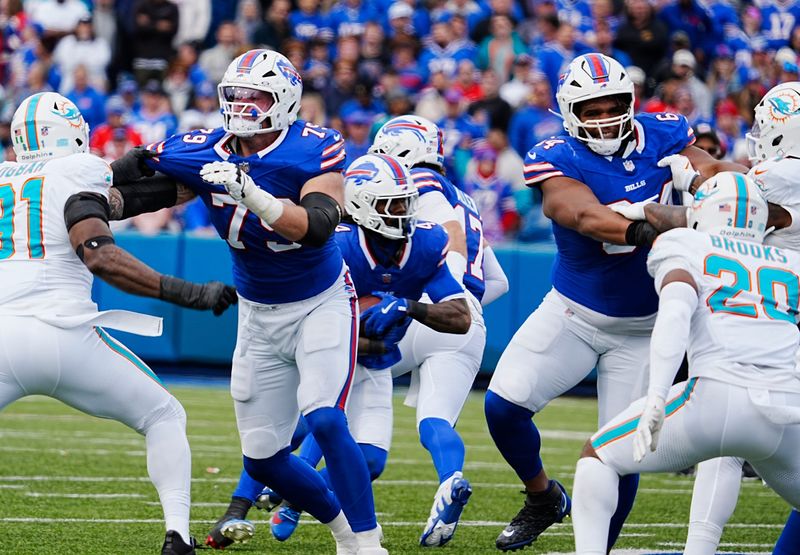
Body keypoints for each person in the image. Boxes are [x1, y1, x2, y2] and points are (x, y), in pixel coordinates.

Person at [108, 49, 386, 555]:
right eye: (233, 94)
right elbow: (135, 173)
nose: (241, 104)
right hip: (257, 313)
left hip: (319, 301)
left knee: (324, 417)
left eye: (254, 95)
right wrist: (99, 197)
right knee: (262, 459)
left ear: (284, 101)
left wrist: (251, 194)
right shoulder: (201, 146)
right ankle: (344, 530)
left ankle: (367, 544)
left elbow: (318, 226)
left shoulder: (314, 146)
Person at [482, 52, 743, 552]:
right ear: (568, 111)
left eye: (612, 106)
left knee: (621, 454)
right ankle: (542, 497)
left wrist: (735, 188)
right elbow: (580, 215)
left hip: (644, 329)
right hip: (573, 312)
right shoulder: (556, 153)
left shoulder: (664, 131)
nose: (604, 118)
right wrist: (662, 221)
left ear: (630, 101)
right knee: (503, 407)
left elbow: (712, 171)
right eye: (591, 109)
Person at [1, 92, 238, 555]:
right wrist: (186, 292)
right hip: (63, 334)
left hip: (2, 334)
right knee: (164, 415)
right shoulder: (77, 168)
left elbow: (108, 196)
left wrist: (160, 187)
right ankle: (177, 535)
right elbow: (101, 242)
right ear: (71, 131)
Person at [571, 172, 800, 554]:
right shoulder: (792, 261)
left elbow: (676, 313)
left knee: (597, 458)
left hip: (713, 398)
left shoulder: (684, 243)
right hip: (786, 409)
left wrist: (657, 397)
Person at [263, 152, 473, 544]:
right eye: (391, 205)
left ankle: (293, 496)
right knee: (316, 425)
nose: (402, 213)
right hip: (327, 353)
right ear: (362, 205)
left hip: (374, 364)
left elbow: (460, 318)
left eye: (406, 202)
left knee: (371, 461)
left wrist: (410, 306)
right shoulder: (338, 246)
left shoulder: (425, 243)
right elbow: (308, 320)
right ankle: (265, 496)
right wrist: (357, 329)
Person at [368, 115, 510, 546]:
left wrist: (422, 300)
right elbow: (499, 282)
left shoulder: (416, 188)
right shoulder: (466, 201)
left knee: (349, 384)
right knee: (435, 421)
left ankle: (287, 495)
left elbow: (433, 247)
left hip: (423, 305)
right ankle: (451, 478)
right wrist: (460, 308)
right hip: (467, 320)